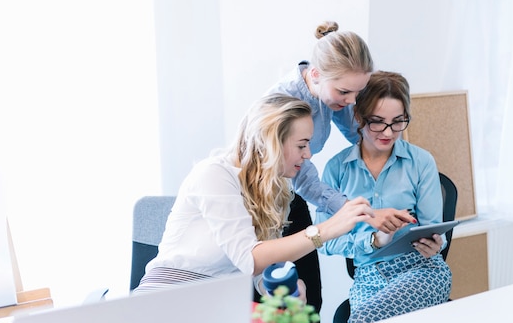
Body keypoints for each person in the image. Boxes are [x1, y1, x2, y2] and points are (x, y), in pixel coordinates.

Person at [133, 94, 375, 309]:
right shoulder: (214, 174)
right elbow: (250, 259)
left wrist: (281, 288)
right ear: (272, 144)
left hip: (215, 305)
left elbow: (258, 270)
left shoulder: (275, 189)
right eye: (301, 145)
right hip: (166, 298)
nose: (308, 154)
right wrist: (326, 229)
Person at [266, 21, 413, 323]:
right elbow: (305, 178)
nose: (351, 101)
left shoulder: (336, 97)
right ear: (315, 75)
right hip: (265, 204)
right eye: (344, 92)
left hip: (294, 196)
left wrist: (394, 156)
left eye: (358, 92)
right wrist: (361, 213)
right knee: (278, 304)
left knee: (310, 300)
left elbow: (358, 134)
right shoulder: (284, 104)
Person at [316, 71, 452, 323]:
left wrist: (435, 243)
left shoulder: (421, 162)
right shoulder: (337, 169)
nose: (388, 132)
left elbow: (436, 229)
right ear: (358, 118)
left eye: (398, 121)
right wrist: (375, 239)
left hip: (422, 271)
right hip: (371, 274)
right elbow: (326, 240)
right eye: (377, 122)